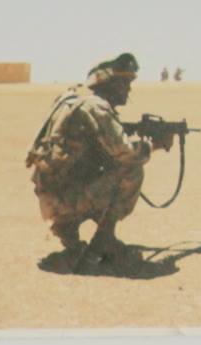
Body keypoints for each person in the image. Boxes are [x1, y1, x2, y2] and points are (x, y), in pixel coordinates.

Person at [25, 53, 173, 272]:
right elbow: (126, 153)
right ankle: (103, 242)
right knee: (130, 168)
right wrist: (155, 145)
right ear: (108, 84)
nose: (128, 89)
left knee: (104, 166)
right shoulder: (96, 108)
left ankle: (69, 235)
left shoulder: (73, 98)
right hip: (63, 200)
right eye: (123, 83)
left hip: (50, 194)